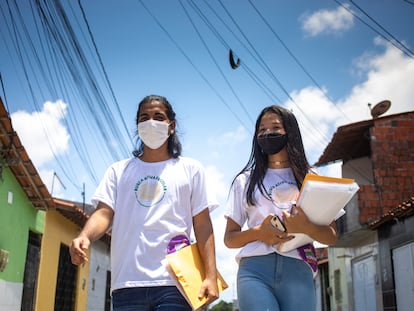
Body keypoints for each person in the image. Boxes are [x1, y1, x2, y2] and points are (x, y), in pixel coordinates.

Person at [70, 95, 219, 310]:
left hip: (176, 283)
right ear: (138, 126)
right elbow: (104, 213)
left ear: (171, 126)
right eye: (144, 118)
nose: (151, 122)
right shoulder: (118, 171)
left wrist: (210, 276)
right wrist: (84, 236)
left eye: (159, 117)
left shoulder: (190, 169)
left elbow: (203, 225)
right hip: (127, 284)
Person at [224, 105, 340, 311]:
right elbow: (230, 239)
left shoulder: (311, 178)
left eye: (275, 128)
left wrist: (306, 227)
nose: (268, 134)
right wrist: (259, 233)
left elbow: (331, 236)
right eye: (262, 130)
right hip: (254, 270)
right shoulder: (245, 180)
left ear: (290, 132)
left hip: (299, 268)